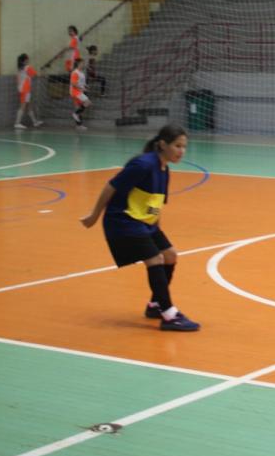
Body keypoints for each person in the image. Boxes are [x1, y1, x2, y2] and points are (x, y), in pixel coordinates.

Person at [79, 124, 200, 331]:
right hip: (123, 221)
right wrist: (94, 215)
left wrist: (157, 234)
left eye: (184, 147)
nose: (182, 151)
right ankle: (169, 315)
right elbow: (111, 186)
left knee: (169, 254)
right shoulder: (143, 165)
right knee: (155, 259)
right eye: (178, 146)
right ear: (162, 144)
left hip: (145, 222)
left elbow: (155, 203)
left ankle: (155, 305)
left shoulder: (165, 170)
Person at [14, 53, 44, 129]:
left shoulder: (20, 69)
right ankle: (17, 123)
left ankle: (35, 122)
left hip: (22, 89)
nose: (28, 60)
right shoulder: (27, 67)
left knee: (29, 106)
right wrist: (42, 71)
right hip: (25, 89)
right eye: (27, 59)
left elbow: (18, 80)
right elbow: (35, 74)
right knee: (23, 106)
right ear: (25, 60)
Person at [69, 57, 90, 130]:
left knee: (79, 108)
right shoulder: (75, 72)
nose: (83, 64)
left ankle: (79, 125)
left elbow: (82, 83)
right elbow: (73, 83)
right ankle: (75, 114)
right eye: (82, 63)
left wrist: (86, 86)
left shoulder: (82, 73)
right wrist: (81, 88)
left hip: (79, 91)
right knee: (87, 102)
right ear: (78, 64)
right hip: (75, 92)